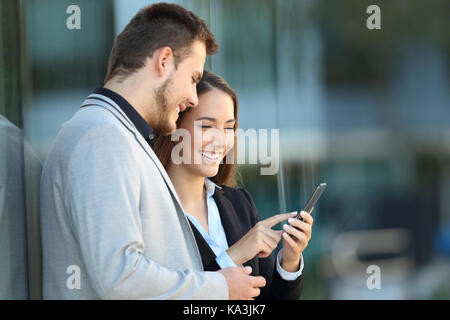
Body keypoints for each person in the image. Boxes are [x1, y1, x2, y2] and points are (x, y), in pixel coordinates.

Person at [40, 3, 265, 300]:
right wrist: (220, 287)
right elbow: (120, 277)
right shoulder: (102, 137)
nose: (193, 99)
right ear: (164, 61)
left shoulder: (118, 135)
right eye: (194, 79)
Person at [153, 71, 314, 299]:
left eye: (228, 128)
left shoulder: (239, 203)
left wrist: (289, 261)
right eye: (206, 126)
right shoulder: (152, 215)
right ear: (174, 129)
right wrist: (233, 256)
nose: (221, 141)